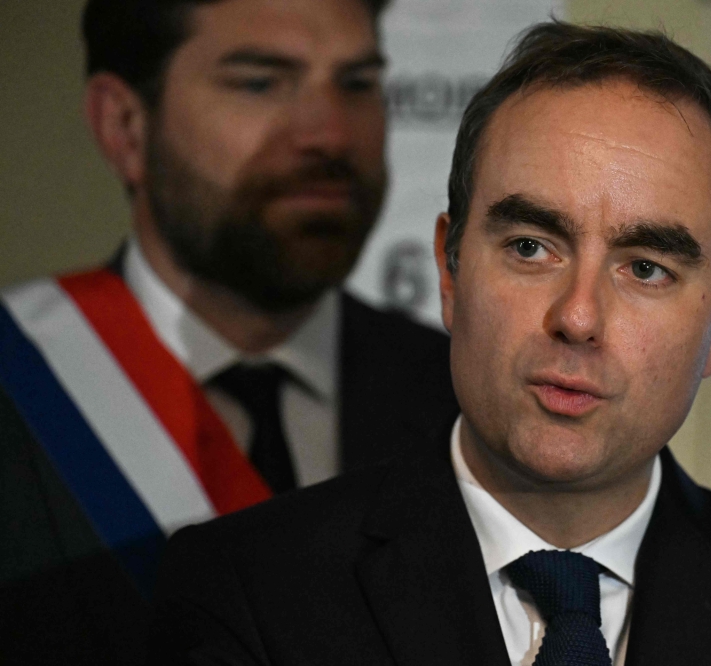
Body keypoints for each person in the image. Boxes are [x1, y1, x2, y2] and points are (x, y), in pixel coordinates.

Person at [147, 21, 711, 666]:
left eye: (647, 267)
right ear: (450, 271)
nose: (579, 316)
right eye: (531, 247)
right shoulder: (246, 594)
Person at [0, 0, 458, 663]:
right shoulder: (23, 384)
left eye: (356, 83)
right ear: (124, 126)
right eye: (260, 82)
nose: (329, 134)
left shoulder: (464, 404)